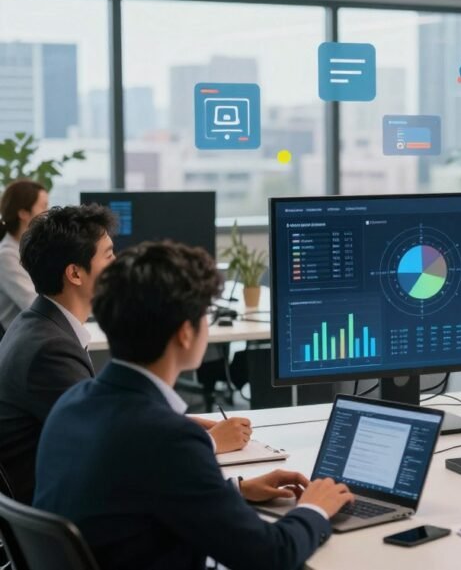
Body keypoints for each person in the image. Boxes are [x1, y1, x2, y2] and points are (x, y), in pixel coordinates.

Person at [33, 242, 354, 570]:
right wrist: (314, 509)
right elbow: (271, 556)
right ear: (185, 333)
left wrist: (235, 490)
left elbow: (133, 495)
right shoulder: (169, 438)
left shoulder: (71, 404)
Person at [0, 206, 249, 504]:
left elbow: (112, 417)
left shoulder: (39, 324)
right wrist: (209, 442)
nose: (118, 265)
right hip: (70, 511)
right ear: (75, 273)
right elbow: (114, 448)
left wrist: (188, 427)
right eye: (108, 256)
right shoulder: (48, 350)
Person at [0, 180, 48, 330]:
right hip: (23, 342)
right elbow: (35, 304)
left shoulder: (33, 249)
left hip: (40, 332)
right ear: (23, 213)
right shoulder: (6, 256)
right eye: (43, 207)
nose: (48, 213)